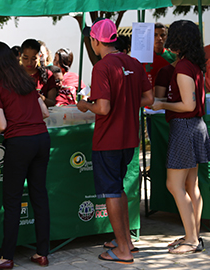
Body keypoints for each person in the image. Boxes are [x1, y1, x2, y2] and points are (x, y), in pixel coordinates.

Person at [77, 18, 153, 264]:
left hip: (108, 139)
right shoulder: (134, 63)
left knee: (111, 192)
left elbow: (103, 108)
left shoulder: (102, 67)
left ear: (96, 41)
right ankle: (126, 241)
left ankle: (122, 250)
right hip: (129, 138)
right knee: (118, 188)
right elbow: (148, 98)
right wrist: (127, 102)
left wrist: (84, 105)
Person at [0, 41, 51, 270]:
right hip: (42, 139)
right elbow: (45, 112)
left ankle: (6, 257)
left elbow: (0, 126)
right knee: (39, 195)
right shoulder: (26, 81)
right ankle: (42, 253)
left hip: (19, 143)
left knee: (12, 201)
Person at [151, 20, 210, 254]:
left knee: (175, 184)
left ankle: (192, 240)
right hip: (195, 126)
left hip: (185, 127)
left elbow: (188, 105)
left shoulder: (183, 68)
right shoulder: (192, 65)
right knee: (191, 184)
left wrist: (161, 104)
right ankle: (193, 235)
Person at [21, 39, 57, 107]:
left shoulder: (47, 75)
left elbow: (52, 102)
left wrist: (39, 97)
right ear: (20, 55)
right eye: (26, 58)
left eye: (33, 59)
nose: (29, 62)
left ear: (39, 57)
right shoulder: (13, 74)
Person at [143, 23, 176, 87]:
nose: (159, 38)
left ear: (166, 37)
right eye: (155, 35)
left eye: (162, 35)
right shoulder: (143, 57)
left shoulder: (173, 56)